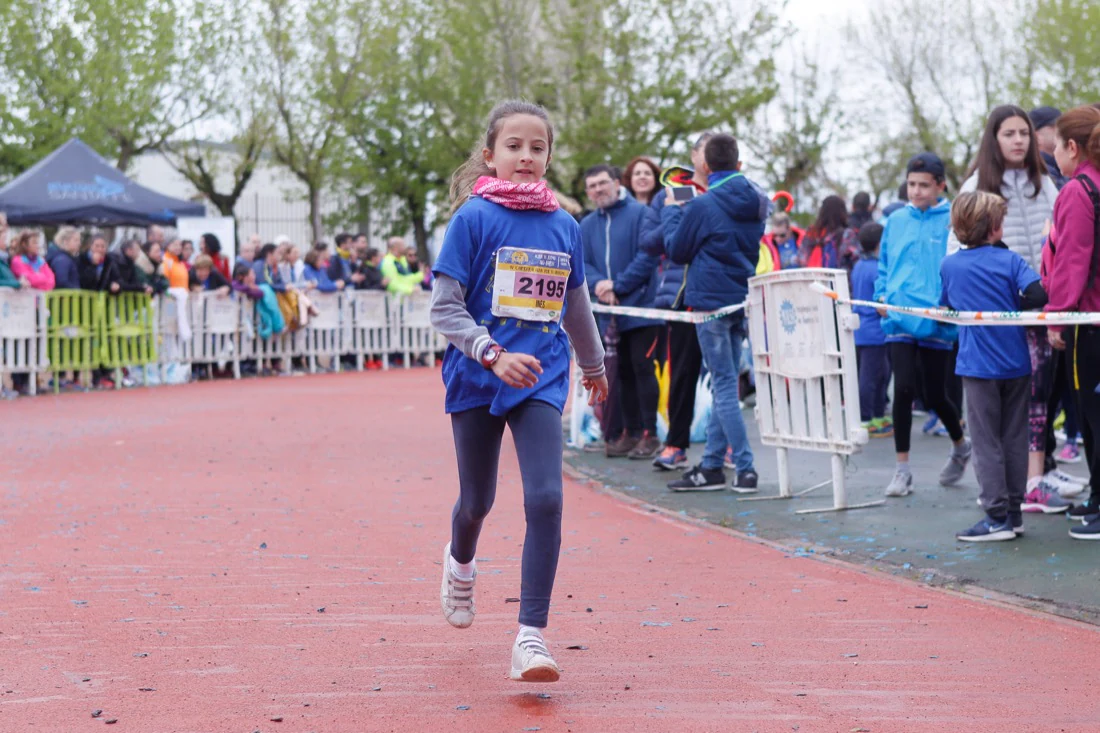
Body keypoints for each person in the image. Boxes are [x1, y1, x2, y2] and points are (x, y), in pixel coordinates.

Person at [429, 100, 607, 682]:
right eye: (514, 146)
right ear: (490, 155)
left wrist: (594, 365)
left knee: (546, 499)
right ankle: (460, 563)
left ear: (550, 156)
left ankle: (531, 637)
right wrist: (491, 353)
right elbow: (444, 308)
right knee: (477, 500)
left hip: (543, 377)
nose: (526, 156)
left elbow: (575, 304)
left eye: (537, 147)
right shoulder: (473, 219)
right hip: (479, 374)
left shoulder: (565, 226)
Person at [947, 104, 1075, 508]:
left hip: (1041, 307)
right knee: (995, 415)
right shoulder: (973, 189)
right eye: (1009, 134)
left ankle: (1033, 480)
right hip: (996, 321)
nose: (1019, 140)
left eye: (1024, 133)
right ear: (994, 139)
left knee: (1040, 399)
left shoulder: (1047, 184)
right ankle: (1005, 495)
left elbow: (1062, 239)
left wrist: (1051, 295)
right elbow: (956, 255)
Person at [942, 191, 1051, 541]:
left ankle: (996, 516)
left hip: (977, 365)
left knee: (986, 440)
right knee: (1015, 437)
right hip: (1017, 362)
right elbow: (1038, 294)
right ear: (994, 228)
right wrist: (1012, 304)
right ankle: (1014, 513)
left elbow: (945, 305)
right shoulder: (1011, 261)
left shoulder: (950, 265)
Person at [662, 133, 765, 493]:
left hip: (709, 301)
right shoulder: (758, 200)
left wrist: (673, 209)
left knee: (723, 385)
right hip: (740, 297)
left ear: (705, 165)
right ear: (737, 162)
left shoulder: (701, 206)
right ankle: (711, 466)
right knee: (727, 384)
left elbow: (677, 250)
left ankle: (747, 467)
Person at [874, 152, 970, 497]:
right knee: (902, 390)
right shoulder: (895, 221)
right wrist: (881, 296)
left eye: (923, 185)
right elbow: (884, 264)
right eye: (911, 184)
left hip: (936, 321)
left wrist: (951, 303)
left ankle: (961, 445)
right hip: (898, 318)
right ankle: (903, 470)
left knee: (935, 395)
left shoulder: (952, 220)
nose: (916, 191)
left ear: (940, 186)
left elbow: (960, 265)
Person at [1044, 105, 1100, 539]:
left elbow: (1071, 261)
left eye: (1056, 146)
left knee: (1092, 412)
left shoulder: (1079, 191)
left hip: (1090, 321)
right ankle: (1097, 493)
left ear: (1073, 148)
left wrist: (1057, 318)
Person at [581, 163, 662, 459]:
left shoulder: (642, 214)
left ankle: (650, 435)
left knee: (643, 369)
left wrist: (619, 286)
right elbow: (582, 264)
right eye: (592, 186)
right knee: (622, 372)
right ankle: (630, 432)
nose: (598, 190)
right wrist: (600, 284)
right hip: (608, 314)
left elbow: (648, 256)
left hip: (641, 307)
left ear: (617, 183)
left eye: (603, 183)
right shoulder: (586, 225)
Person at [642, 134, 712, 470]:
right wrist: (679, 224)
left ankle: (724, 446)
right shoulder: (675, 193)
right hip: (682, 296)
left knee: (726, 376)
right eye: (705, 149)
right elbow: (651, 241)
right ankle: (676, 444)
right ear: (695, 155)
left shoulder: (731, 192)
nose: (710, 157)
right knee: (683, 371)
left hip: (723, 294)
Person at [852, 222, 892, 437]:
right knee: (871, 377)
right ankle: (866, 418)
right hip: (874, 331)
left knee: (881, 374)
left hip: (864, 329)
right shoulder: (877, 269)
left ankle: (877, 414)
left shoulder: (860, 265)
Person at [799, 195, 860, 272]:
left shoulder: (812, 233)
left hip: (814, 280)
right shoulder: (847, 235)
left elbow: (801, 259)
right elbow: (856, 259)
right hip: (839, 281)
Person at [1030, 106, 1068, 189]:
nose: (1061, 129)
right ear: (1036, 136)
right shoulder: (1035, 168)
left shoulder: (1064, 163)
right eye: (1053, 126)